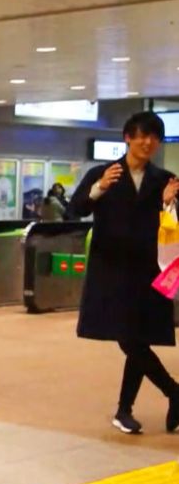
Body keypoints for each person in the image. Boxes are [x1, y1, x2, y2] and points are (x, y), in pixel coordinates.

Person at [70, 111, 179, 434]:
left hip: (149, 270)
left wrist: (167, 204)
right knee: (129, 338)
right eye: (141, 135)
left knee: (138, 338)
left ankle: (125, 410)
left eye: (154, 137)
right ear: (127, 138)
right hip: (111, 271)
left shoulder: (165, 180)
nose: (148, 142)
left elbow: (173, 226)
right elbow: (75, 209)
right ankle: (173, 391)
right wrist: (99, 189)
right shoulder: (104, 173)